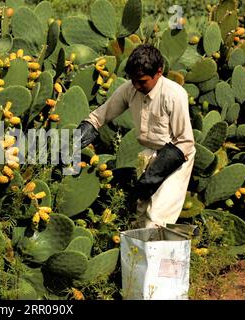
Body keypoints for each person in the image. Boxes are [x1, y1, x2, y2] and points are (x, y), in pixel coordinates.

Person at [77, 44, 195, 228]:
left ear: (159, 72)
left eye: (142, 81)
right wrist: (75, 140)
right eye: (133, 80)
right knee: (140, 218)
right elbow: (100, 116)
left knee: (156, 219)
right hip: (148, 153)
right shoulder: (130, 88)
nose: (137, 86)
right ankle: (138, 257)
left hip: (176, 157)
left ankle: (157, 257)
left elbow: (185, 142)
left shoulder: (174, 95)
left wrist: (153, 175)